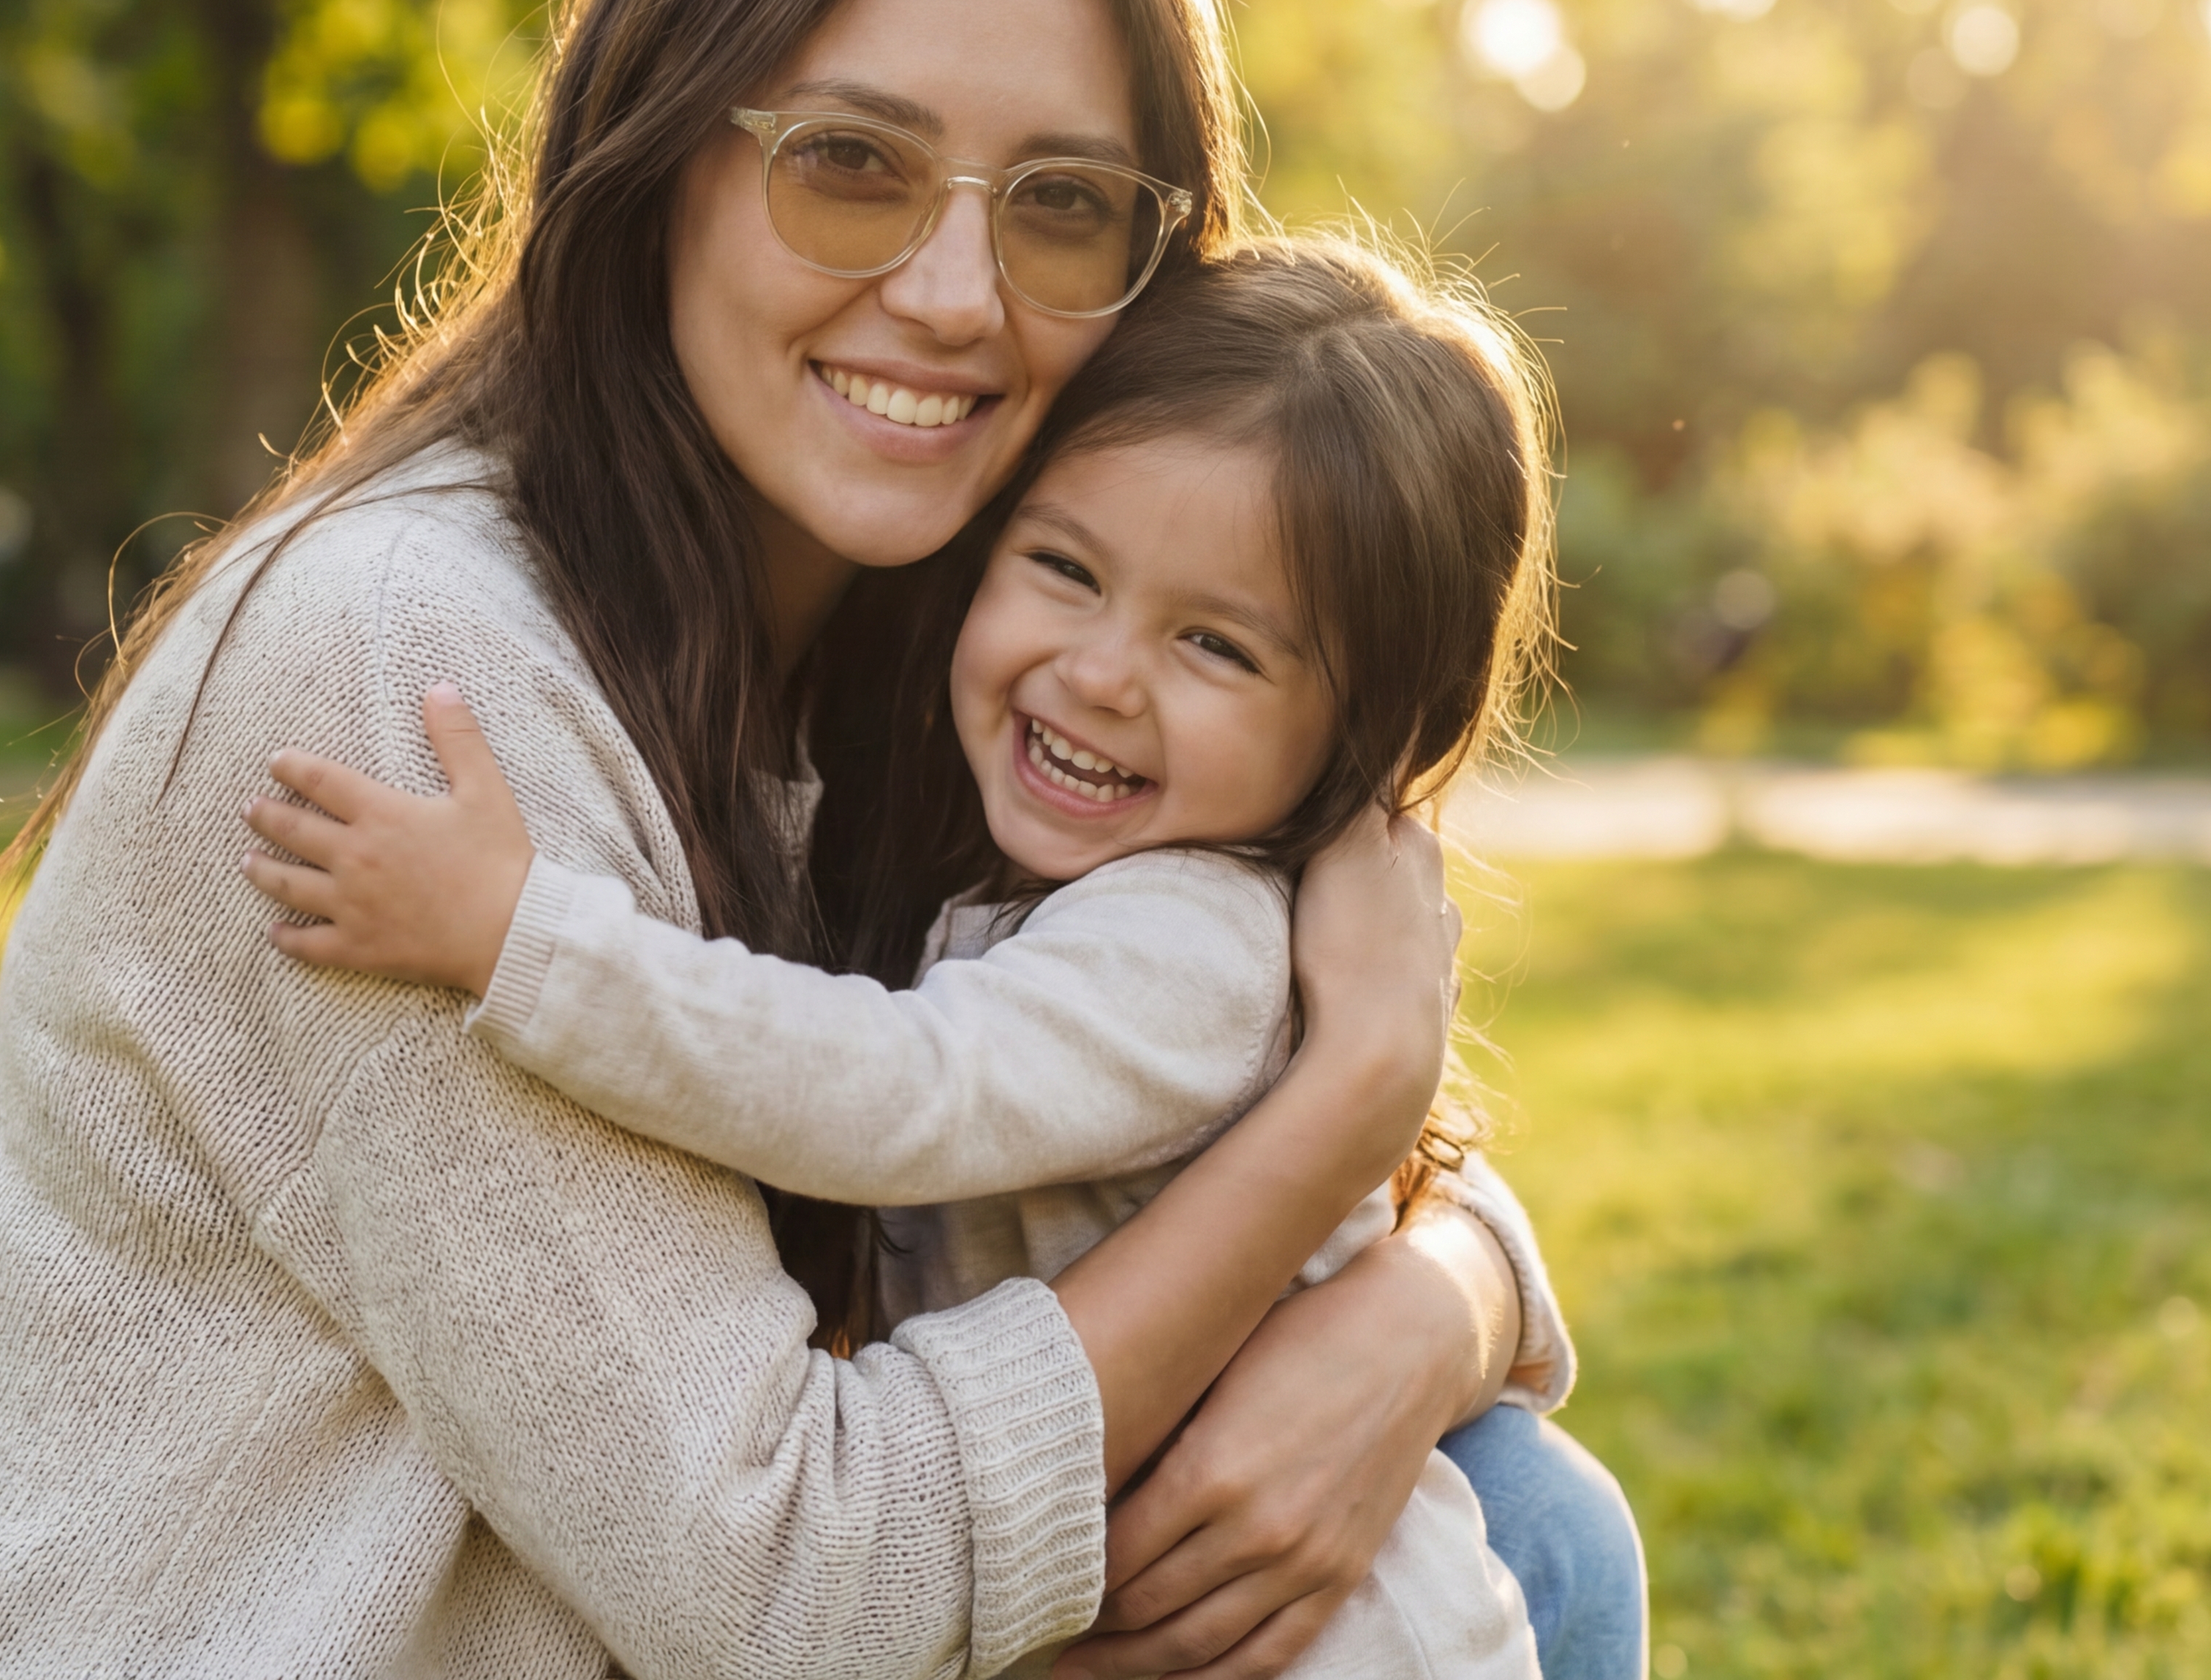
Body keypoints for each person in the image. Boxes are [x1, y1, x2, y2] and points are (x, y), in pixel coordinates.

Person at [0, 0, 1642, 1680]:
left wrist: (1432, 1300)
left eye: (1062, 203)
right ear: (659, 153)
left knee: (1532, 1529)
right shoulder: (419, 676)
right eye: (850, 164)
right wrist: (1356, 1095)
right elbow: (798, 1593)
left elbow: (1118, 1088)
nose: (950, 291)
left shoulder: (937, 649)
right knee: (1521, 1558)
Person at [242, 235, 1560, 1679]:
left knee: (1564, 1523)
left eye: (1218, 647)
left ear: (1371, 736)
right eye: (1063, 568)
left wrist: (516, 937)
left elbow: (895, 1088)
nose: (1101, 672)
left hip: (1331, 1649)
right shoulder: (1070, 877)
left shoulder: (1191, 937)